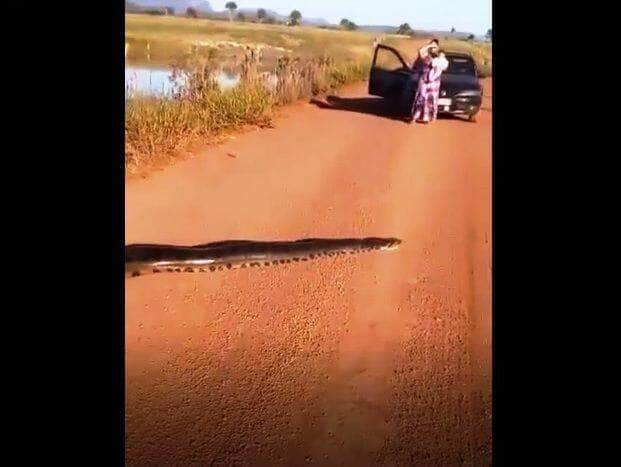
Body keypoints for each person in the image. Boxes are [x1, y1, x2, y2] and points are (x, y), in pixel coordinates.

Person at [410, 39, 449, 124]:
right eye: (432, 46)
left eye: (435, 46)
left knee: (430, 100)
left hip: (434, 81)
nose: (433, 48)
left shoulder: (439, 57)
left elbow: (445, 67)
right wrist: (429, 46)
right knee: (420, 97)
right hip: (424, 79)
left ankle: (426, 118)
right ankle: (415, 116)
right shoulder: (426, 55)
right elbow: (420, 51)